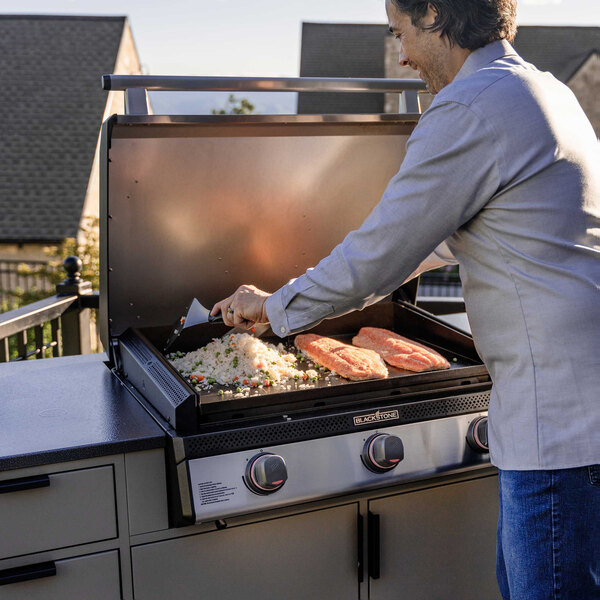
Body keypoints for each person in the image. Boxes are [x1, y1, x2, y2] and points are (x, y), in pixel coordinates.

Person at [211, 1, 600, 597]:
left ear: (435, 13)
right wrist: (305, 286)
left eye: (401, 32)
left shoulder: (471, 108)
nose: (402, 54)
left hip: (558, 426)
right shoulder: (543, 91)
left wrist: (275, 307)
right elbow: (436, 237)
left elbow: (382, 254)